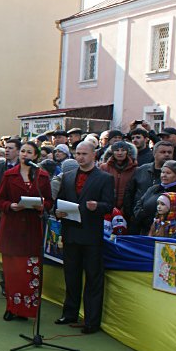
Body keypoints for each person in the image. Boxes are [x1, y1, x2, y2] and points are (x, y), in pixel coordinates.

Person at [54, 142, 114, 334]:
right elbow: (60, 202)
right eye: (78, 153)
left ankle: (91, 320)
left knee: (93, 279)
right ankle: (69, 313)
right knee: (71, 276)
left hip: (91, 235)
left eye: (84, 154)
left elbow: (109, 205)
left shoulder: (105, 178)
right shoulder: (68, 176)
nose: (80, 157)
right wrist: (58, 213)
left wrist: (98, 206)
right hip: (70, 233)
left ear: (94, 155)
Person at [0, 141, 53, 320]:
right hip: (12, 228)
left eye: (29, 152)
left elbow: (49, 201)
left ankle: (26, 310)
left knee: (29, 273)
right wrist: (10, 205)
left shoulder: (42, 176)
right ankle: (12, 307)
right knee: (13, 274)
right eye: (23, 151)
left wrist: (41, 206)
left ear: (35, 156)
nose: (24, 155)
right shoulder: (9, 175)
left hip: (32, 229)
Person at [131, 160, 176, 235]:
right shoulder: (154, 189)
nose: (164, 175)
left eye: (168, 173)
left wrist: (155, 220)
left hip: (167, 235)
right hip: (145, 232)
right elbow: (139, 205)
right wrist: (142, 217)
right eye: (163, 172)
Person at [123, 140, 174, 220]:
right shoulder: (141, 170)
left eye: (169, 152)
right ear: (154, 154)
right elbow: (129, 193)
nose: (167, 155)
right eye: (163, 152)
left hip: (163, 220)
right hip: (139, 219)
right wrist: (131, 215)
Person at [98, 140, 138, 211]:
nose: (120, 153)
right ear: (112, 152)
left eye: (123, 150)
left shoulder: (135, 169)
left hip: (127, 209)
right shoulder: (104, 168)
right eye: (117, 150)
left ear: (127, 152)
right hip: (107, 207)